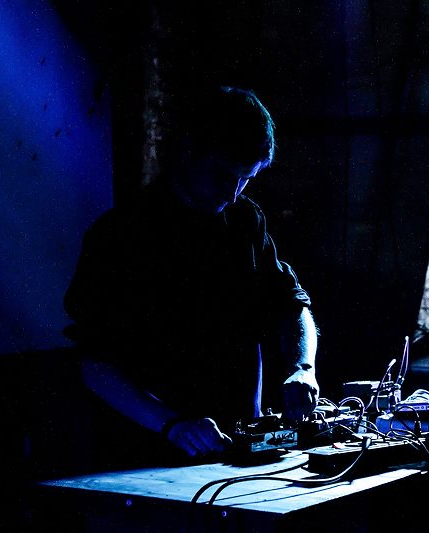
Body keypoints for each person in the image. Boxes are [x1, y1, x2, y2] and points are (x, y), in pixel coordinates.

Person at [63, 86, 319, 462]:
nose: (232, 193)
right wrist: (174, 424)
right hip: (145, 458)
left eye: (245, 179)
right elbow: (94, 364)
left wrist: (302, 368)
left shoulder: (245, 222)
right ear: (187, 150)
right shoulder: (121, 235)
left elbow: (292, 307)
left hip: (236, 452)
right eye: (222, 174)